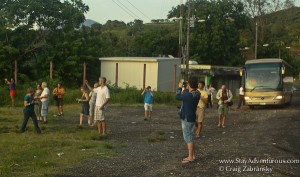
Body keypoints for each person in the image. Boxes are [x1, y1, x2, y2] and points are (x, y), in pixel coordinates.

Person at [176, 77, 200, 164]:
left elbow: (177, 96)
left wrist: (179, 87)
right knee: (190, 136)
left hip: (186, 117)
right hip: (192, 116)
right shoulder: (197, 93)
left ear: (189, 84)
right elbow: (187, 93)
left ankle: (190, 157)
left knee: (188, 138)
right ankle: (193, 155)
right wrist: (186, 87)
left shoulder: (188, 95)